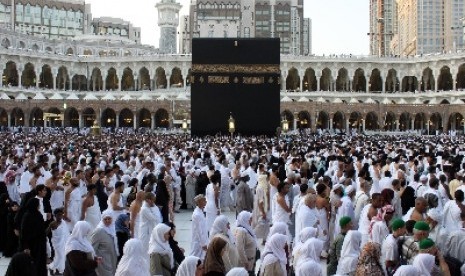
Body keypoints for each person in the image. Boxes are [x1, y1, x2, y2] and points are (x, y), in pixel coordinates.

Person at [19, 198, 47, 276]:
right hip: (31, 245)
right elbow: (24, 233)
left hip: (39, 244)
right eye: (38, 204)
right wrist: (26, 247)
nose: (39, 206)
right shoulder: (27, 216)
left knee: (40, 263)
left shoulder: (38, 214)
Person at [91, 210, 118, 276]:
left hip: (112, 259)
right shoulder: (99, 231)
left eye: (109, 219)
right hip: (103, 262)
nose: (107, 221)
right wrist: (94, 260)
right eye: (105, 219)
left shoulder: (113, 228)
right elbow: (92, 248)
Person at [47, 208, 70, 275]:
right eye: (58, 215)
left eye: (61, 215)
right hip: (57, 244)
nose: (60, 216)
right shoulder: (53, 224)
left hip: (64, 242)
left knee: (62, 256)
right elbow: (46, 232)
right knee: (60, 256)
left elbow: (66, 233)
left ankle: (56, 269)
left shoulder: (64, 223)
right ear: (55, 216)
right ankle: (55, 268)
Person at [235, 211, 257, 275]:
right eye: (250, 219)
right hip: (245, 264)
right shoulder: (241, 231)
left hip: (251, 262)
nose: (251, 221)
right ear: (245, 219)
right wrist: (245, 262)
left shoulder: (247, 229)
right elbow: (239, 248)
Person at [191, 194, 208, 259]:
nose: (205, 202)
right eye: (204, 200)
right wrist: (203, 243)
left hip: (202, 239)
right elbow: (199, 231)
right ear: (199, 202)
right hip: (199, 241)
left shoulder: (200, 211)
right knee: (196, 257)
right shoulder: (197, 214)